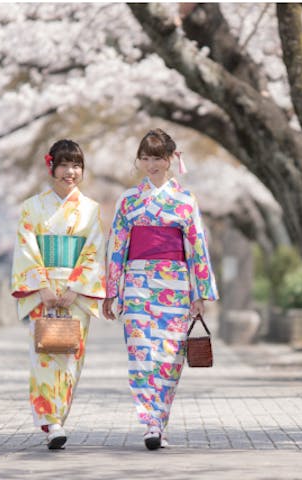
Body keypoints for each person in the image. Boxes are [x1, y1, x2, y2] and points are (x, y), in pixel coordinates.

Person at [103, 128, 218, 450]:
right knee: (141, 355)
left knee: (169, 358)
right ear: (138, 160)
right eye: (146, 157)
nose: (151, 164)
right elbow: (117, 247)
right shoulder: (128, 200)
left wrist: (200, 293)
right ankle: (149, 422)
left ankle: (159, 421)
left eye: (158, 157)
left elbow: (197, 246)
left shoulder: (184, 200)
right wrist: (111, 291)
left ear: (171, 159)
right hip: (138, 283)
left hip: (176, 284)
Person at [11, 139, 106, 450]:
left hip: (75, 294)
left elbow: (93, 250)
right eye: (64, 164)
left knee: (70, 360)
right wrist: (43, 287)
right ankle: (51, 422)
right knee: (44, 356)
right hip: (44, 292)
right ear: (51, 166)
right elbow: (27, 248)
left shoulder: (91, 210)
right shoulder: (32, 207)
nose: (70, 171)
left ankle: (59, 418)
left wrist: (75, 288)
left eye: (76, 165)